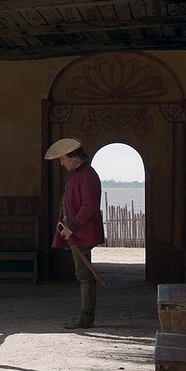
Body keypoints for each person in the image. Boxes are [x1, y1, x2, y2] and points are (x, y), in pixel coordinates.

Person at [44, 137, 106, 329]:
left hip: (82, 233)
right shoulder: (79, 174)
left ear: (73, 156)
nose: (62, 163)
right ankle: (86, 316)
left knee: (84, 275)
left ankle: (86, 317)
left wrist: (72, 228)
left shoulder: (87, 175)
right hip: (77, 232)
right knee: (83, 274)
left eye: (63, 159)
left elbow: (89, 206)